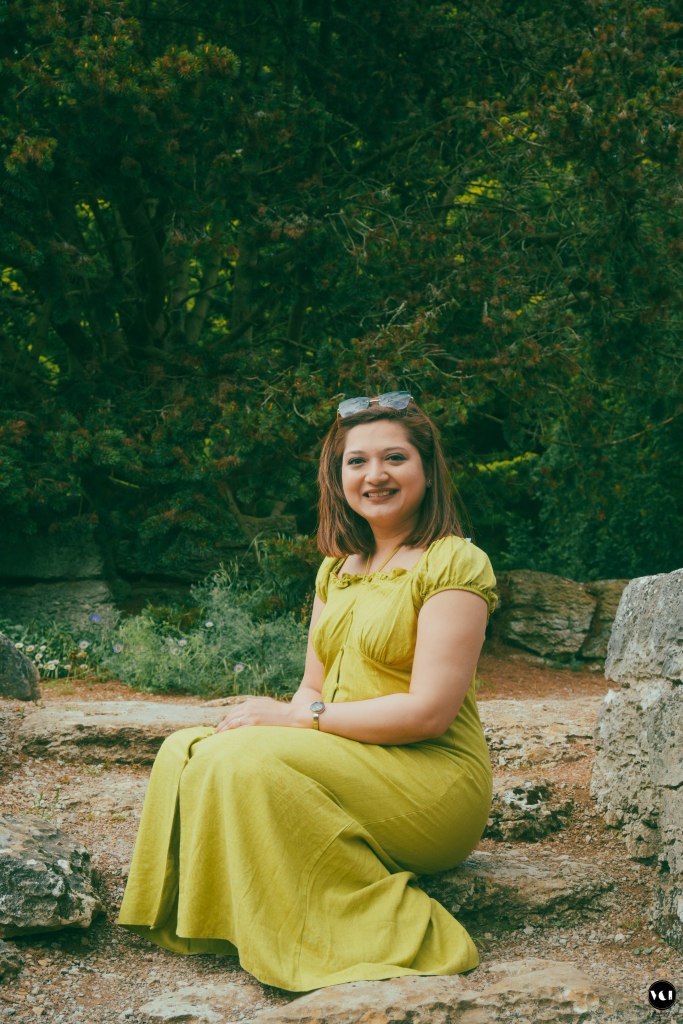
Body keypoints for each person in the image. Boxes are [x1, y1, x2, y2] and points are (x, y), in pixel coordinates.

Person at [117, 391, 497, 992]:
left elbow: (428, 713)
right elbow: (312, 685)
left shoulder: (454, 564)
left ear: (427, 470)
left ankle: (366, 929)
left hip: (431, 778)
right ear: (337, 477)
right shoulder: (337, 568)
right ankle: (229, 919)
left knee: (238, 760)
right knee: (190, 748)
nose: (375, 475)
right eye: (357, 461)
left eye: (395, 458)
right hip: (351, 754)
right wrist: (287, 716)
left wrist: (301, 719)